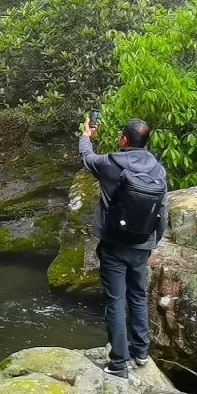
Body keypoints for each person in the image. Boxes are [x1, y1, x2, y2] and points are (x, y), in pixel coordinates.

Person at [80, 117, 168, 379]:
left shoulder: (111, 164)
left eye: (120, 135)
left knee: (116, 302)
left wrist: (87, 135)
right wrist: (153, 243)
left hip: (114, 245)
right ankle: (140, 351)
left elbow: (86, 157)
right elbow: (162, 212)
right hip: (142, 245)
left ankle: (119, 364)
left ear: (124, 140)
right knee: (138, 296)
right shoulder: (159, 170)